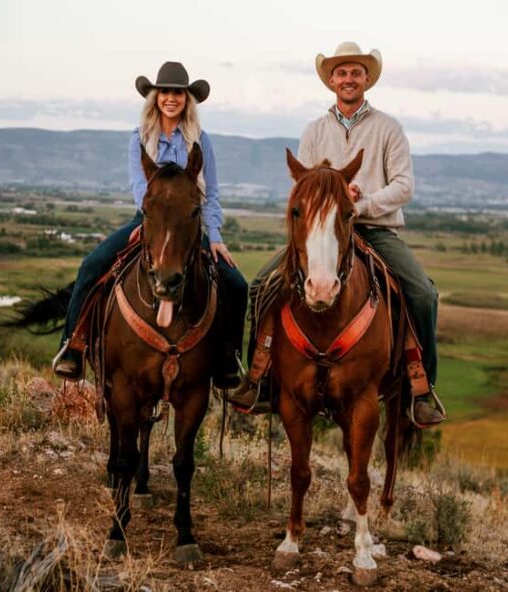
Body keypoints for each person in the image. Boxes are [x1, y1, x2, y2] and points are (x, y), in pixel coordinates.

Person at [227, 42, 444, 427]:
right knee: (261, 285)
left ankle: (421, 388)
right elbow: (306, 185)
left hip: (375, 229)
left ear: (366, 80)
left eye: (355, 72)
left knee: (423, 293)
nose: (348, 79)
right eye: (341, 73)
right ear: (331, 80)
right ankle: (259, 379)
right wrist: (327, 205)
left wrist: (360, 205)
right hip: (320, 234)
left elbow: (404, 186)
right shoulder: (314, 130)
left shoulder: (388, 128)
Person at [53, 61, 247, 389]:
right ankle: (72, 346)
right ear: (155, 97)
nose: (171, 98)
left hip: (187, 227)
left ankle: (228, 359)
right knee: (91, 266)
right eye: (165, 92)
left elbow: (210, 192)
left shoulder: (201, 139)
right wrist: (150, 224)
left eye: (178, 93)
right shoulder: (140, 137)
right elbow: (140, 189)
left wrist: (214, 236)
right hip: (148, 221)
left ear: (187, 99)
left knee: (237, 285)